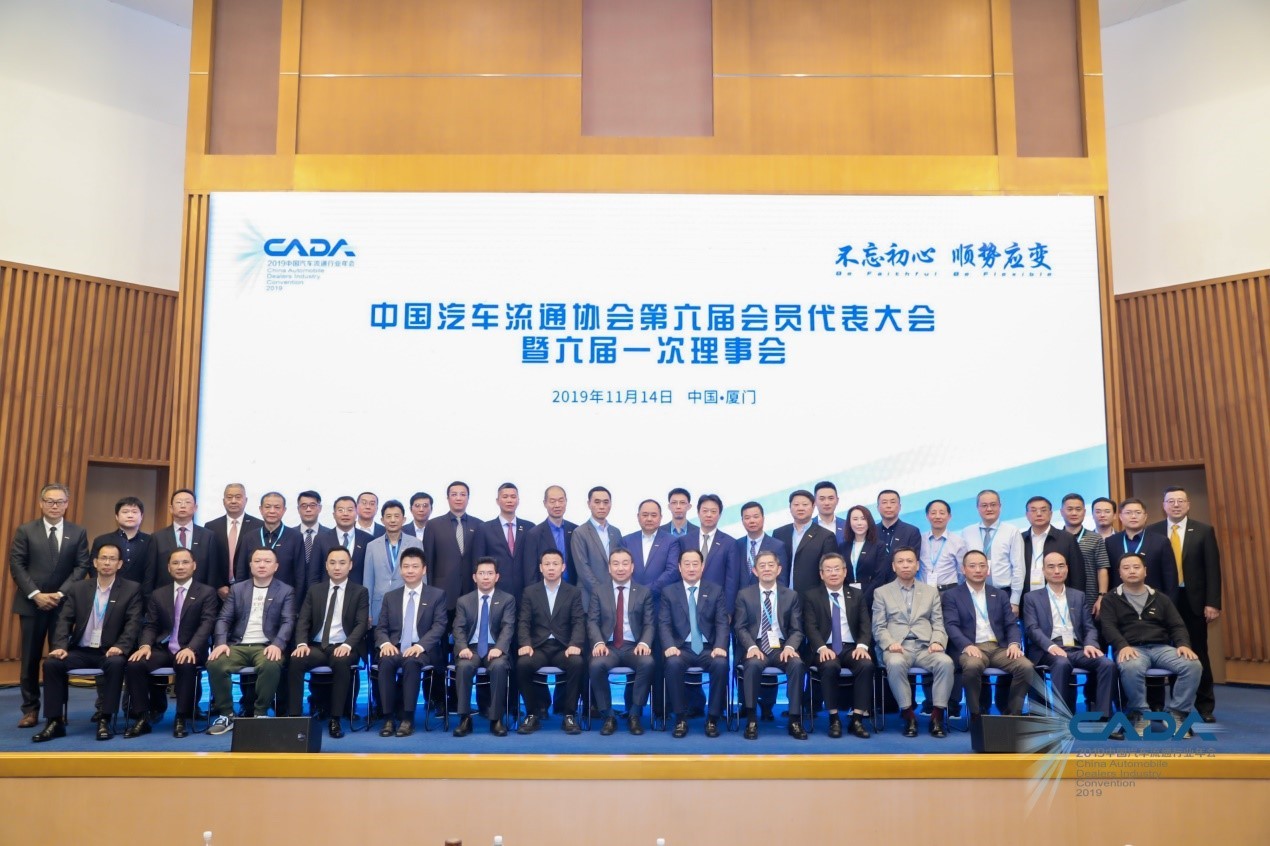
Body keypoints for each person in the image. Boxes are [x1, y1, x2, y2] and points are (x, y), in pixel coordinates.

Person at [31, 542, 142, 743]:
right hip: (81, 650)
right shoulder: (79, 588)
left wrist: (121, 646)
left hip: (110, 651)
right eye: (103, 558)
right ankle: (54, 721)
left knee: (116, 664)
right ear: (95, 562)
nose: (107, 563)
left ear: (119, 564)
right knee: (52, 663)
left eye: (112, 559)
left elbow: (133, 623)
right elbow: (64, 620)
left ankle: (105, 718)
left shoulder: (131, 589)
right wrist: (60, 647)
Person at [9, 483, 91, 727]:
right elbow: (17, 564)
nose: (55, 506)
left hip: (63, 606)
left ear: (67, 504)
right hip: (31, 604)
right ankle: (30, 709)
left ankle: (57, 710)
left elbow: (82, 566)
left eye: (60, 501)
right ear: (41, 503)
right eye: (50, 501)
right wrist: (36, 594)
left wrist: (59, 593)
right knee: (30, 659)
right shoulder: (26, 530)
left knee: (59, 659)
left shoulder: (78, 532)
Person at [1100, 553, 1203, 737]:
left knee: (1192, 665)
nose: (1132, 571)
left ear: (1145, 571)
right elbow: (1108, 627)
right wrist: (1122, 645)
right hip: (1131, 649)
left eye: (1136, 567)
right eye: (1126, 568)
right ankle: (1141, 715)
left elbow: (1177, 625)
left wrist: (1183, 644)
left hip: (1161, 648)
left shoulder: (1160, 598)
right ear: (1119, 573)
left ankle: (1177, 714)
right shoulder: (1110, 599)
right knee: (1131, 667)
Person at [123, 547, 218, 738]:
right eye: (175, 563)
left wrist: (191, 648)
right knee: (134, 664)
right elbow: (150, 624)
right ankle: (143, 716)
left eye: (185, 562)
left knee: (186, 664)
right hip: (163, 648)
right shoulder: (159, 594)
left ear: (194, 565)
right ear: (168, 568)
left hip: (191, 649)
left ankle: (181, 717)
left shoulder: (206, 592)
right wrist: (145, 645)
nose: (180, 567)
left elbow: (207, 624)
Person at [1147, 486, 1221, 722]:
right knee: (1159, 652)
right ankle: (1158, 705)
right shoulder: (1152, 531)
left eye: (1180, 501)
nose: (1176, 505)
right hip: (1161, 601)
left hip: (1193, 601)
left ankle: (1205, 707)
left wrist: (1213, 602)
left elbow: (1213, 569)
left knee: (1197, 653)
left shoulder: (1203, 531)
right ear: (1164, 506)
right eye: (1171, 501)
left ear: (1188, 504)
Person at [1022, 551, 1118, 731]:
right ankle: (1063, 720)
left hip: (1077, 647)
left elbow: (1089, 627)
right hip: (1048, 649)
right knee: (1061, 663)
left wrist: (1090, 644)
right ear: (1043, 570)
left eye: (1061, 566)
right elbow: (1032, 629)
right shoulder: (1031, 597)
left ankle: (1104, 718)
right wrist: (1051, 646)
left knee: (1107, 664)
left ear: (1067, 568)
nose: (1057, 571)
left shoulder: (1078, 596)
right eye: (1051, 567)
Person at [206, 548, 296, 735]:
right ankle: (226, 714)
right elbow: (223, 619)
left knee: (271, 664)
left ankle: (260, 714)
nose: (262, 565)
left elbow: (288, 621)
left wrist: (278, 644)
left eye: (267, 561)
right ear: (250, 565)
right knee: (215, 663)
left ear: (276, 566)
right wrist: (221, 642)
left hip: (266, 646)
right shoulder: (238, 589)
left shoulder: (286, 590)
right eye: (257, 561)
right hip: (237, 645)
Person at [941, 550, 1035, 718]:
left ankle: (1013, 715)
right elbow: (951, 625)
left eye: (982, 566)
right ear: (963, 569)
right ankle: (977, 714)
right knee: (972, 666)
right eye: (972, 566)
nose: (978, 570)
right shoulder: (952, 595)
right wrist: (966, 645)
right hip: (972, 647)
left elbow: (1011, 624)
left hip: (999, 648)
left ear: (988, 570)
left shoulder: (999, 594)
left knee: (1026, 667)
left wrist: (1014, 643)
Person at [287, 546, 370, 738]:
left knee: (341, 661)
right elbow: (303, 621)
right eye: (332, 563)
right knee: (296, 660)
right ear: (326, 566)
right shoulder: (315, 590)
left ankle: (336, 719)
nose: (337, 567)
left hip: (344, 646)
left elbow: (361, 624)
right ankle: (295, 717)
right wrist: (301, 644)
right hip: (316, 646)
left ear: (350, 565)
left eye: (342, 563)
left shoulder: (360, 592)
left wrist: (347, 645)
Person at [872, 547, 954, 737]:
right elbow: (878, 626)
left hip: (926, 647)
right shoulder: (881, 592)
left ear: (917, 565)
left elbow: (938, 623)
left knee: (946, 662)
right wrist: (889, 643)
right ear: (893, 566)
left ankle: (937, 716)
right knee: (894, 663)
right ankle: (908, 715)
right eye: (900, 562)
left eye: (909, 561)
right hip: (898, 647)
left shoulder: (930, 592)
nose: (905, 565)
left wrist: (937, 642)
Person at [374, 547, 447, 737]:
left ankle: (407, 718)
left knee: (412, 662)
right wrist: (385, 644)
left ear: (424, 570)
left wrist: (420, 646)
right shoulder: (391, 597)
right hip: (395, 647)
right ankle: (388, 718)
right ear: (400, 570)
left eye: (415, 566)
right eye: (406, 566)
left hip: (423, 650)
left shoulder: (437, 595)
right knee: (385, 661)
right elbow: (381, 627)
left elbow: (439, 626)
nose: (410, 570)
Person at [734, 550, 807, 740]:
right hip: (755, 645)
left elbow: (797, 629)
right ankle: (751, 720)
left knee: (797, 664)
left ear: (779, 569)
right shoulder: (744, 595)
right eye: (762, 566)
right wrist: (751, 647)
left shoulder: (790, 595)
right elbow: (740, 627)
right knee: (752, 665)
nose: (767, 569)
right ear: (755, 571)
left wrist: (790, 647)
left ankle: (794, 719)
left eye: (771, 565)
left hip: (781, 646)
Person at [802, 552, 874, 738]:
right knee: (829, 666)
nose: (833, 573)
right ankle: (834, 718)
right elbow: (810, 627)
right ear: (821, 574)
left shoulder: (856, 595)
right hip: (824, 648)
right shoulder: (812, 596)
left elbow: (865, 624)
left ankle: (857, 719)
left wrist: (862, 646)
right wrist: (821, 648)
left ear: (844, 572)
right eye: (828, 570)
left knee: (866, 665)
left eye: (837, 569)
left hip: (851, 648)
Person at [659, 548, 729, 738]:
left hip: (708, 648)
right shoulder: (669, 592)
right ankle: (680, 718)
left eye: (695, 564)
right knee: (672, 664)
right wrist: (669, 646)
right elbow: (664, 623)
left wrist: (720, 646)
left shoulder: (715, 590)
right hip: (681, 648)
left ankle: (713, 718)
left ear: (702, 566)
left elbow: (722, 622)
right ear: (679, 567)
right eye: (687, 564)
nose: (691, 568)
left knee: (721, 664)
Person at [516, 549, 585, 735]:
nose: (551, 568)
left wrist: (575, 644)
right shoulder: (530, 592)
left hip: (564, 647)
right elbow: (524, 622)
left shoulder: (573, 592)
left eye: (555, 564)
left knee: (577, 663)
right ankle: (532, 714)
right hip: (538, 647)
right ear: (541, 568)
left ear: (563, 567)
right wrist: (525, 643)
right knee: (522, 664)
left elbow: (578, 621)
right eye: (547, 564)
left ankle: (569, 715)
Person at [588, 548, 655, 736]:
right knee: (596, 665)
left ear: (632, 567)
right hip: (608, 647)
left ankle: (634, 713)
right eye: (616, 564)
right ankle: (608, 715)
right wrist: (598, 643)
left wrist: (644, 643)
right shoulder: (599, 591)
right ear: (609, 568)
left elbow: (649, 623)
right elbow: (592, 621)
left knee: (648, 662)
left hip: (634, 647)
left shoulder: (643, 592)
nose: (620, 568)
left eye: (625, 563)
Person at [452, 557, 516, 737]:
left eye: (489, 573)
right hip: (471, 648)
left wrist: (500, 648)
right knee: (464, 667)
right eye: (481, 573)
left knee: (499, 666)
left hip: (495, 648)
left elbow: (508, 627)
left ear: (497, 577)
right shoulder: (464, 601)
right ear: (474, 577)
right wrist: (462, 647)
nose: (485, 577)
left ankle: (496, 719)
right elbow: (458, 628)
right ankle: (465, 718)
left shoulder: (507, 599)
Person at [232, 491, 305, 605]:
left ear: (284, 510)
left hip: (284, 600)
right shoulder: (249, 537)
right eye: (267, 507)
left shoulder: (295, 537)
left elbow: (300, 575)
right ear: (261, 509)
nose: (272, 511)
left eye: (277, 507)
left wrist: (295, 604)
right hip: (252, 600)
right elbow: (241, 572)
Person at [145, 488, 223, 595]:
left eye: (187, 502)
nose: (183, 506)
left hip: (200, 596)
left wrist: (210, 597)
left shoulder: (208, 536)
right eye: (178, 502)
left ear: (195, 508)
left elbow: (212, 573)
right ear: (171, 509)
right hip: (165, 596)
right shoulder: (157, 537)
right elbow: (150, 573)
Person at [423, 481, 480, 618]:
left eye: (462, 494)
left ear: (468, 498)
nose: (458, 498)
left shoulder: (479, 524)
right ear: (448, 498)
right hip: (442, 591)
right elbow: (429, 561)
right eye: (454, 494)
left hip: (471, 589)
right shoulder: (433, 525)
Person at [960, 489, 1025, 608]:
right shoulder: (967, 532)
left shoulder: (1011, 531)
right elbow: (962, 566)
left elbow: (1018, 567)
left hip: (1003, 593)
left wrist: (1015, 600)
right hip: (973, 593)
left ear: (1000, 506)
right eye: (984, 505)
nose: (989, 509)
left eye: (993, 505)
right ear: (977, 508)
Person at [1019, 497, 1086, 611]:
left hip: (1060, 601)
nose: (1039, 514)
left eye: (1043, 510)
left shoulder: (1066, 538)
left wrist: (1076, 602)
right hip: (1027, 601)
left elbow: (1077, 574)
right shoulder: (1020, 539)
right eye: (1033, 510)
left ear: (1050, 514)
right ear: (1027, 515)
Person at [1106, 498, 1178, 604]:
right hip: (1119, 602)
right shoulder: (1110, 542)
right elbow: (1109, 575)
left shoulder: (1161, 541)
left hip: (1153, 602)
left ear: (1145, 516)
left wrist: (1168, 605)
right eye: (1128, 513)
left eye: (1138, 512)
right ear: (1120, 517)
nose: (1133, 516)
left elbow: (1170, 578)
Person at [364, 499, 423, 626]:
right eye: (388, 516)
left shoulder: (415, 543)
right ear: (382, 520)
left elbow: (422, 577)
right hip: (379, 606)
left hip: (408, 603)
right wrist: (367, 612)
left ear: (404, 519)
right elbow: (368, 581)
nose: (392, 520)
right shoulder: (372, 546)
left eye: (397, 516)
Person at [472, 482, 533, 600]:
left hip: (525, 590)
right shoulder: (484, 528)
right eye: (505, 497)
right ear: (497, 501)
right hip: (495, 589)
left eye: (513, 497)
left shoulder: (529, 527)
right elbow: (478, 563)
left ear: (518, 500)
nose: (509, 500)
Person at [773, 489, 837, 594]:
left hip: (812, 597)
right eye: (796, 505)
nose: (800, 508)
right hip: (782, 596)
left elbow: (828, 569)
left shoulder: (826, 536)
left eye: (805, 504)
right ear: (790, 507)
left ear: (813, 507)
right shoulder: (779, 533)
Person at [205, 483, 263, 598]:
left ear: (246, 500)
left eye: (238, 497)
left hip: (249, 588)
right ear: (223, 501)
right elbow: (210, 560)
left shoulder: (258, 525)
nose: (233, 501)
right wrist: (219, 585)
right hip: (218, 591)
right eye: (229, 497)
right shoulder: (211, 526)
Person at [571, 486, 624, 606]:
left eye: (606, 502)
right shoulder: (580, 532)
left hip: (614, 596)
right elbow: (583, 569)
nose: (601, 506)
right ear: (589, 504)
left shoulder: (616, 532)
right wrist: (602, 594)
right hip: (589, 596)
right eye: (597, 502)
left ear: (610, 504)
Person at [1059, 493, 1111, 612]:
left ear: (1084, 512)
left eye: (1078, 509)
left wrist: (1101, 596)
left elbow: (1102, 568)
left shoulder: (1096, 538)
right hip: (1060, 598)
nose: (1074, 513)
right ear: (1061, 512)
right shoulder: (1056, 538)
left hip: (1090, 599)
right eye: (1069, 509)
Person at [522, 485, 578, 588]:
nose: (557, 505)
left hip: (572, 589)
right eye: (552, 501)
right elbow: (530, 572)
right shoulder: (534, 534)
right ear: (545, 503)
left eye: (561, 500)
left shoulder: (575, 530)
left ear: (566, 501)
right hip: (545, 590)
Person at [90, 496, 150, 586]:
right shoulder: (101, 540)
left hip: (140, 592)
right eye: (125, 512)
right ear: (117, 516)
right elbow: (93, 568)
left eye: (134, 512)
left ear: (141, 516)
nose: (130, 515)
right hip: (107, 590)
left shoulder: (150, 541)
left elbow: (151, 572)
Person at [312, 495, 372, 585]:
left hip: (358, 592)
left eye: (350, 510)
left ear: (356, 514)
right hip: (328, 592)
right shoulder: (321, 539)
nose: (345, 514)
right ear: (334, 515)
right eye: (340, 510)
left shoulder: (368, 539)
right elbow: (314, 574)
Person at [626, 499, 681, 594]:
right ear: (638, 516)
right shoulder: (626, 541)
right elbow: (622, 569)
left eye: (654, 515)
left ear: (660, 517)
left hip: (660, 597)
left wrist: (647, 590)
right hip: (631, 597)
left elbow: (672, 571)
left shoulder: (671, 541)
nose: (649, 519)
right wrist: (635, 590)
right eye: (645, 515)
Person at [735, 501, 789, 588]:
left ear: (763, 518)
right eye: (747, 518)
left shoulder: (777, 546)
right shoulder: (736, 545)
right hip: (741, 595)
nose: (752, 521)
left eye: (756, 517)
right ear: (742, 521)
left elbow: (781, 579)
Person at [919, 499, 967, 592]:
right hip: (924, 591)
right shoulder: (920, 539)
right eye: (933, 513)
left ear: (949, 516)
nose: (937, 516)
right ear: (927, 516)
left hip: (949, 591)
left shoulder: (958, 542)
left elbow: (961, 571)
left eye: (942, 513)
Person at [841, 505, 885, 605]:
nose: (859, 523)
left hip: (871, 598)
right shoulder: (843, 546)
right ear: (849, 523)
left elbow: (879, 577)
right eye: (855, 519)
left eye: (863, 519)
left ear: (869, 521)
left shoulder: (878, 546)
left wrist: (863, 597)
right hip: (847, 597)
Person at [874, 489, 923, 572]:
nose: (888, 506)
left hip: (902, 579)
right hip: (876, 580)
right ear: (878, 508)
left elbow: (913, 562)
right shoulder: (871, 531)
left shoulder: (912, 532)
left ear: (900, 507)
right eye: (884, 502)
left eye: (892, 502)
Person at [293, 490, 328, 589]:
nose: (308, 509)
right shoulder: (289, 535)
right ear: (298, 509)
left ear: (320, 508)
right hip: (294, 590)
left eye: (312, 505)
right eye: (304, 506)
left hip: (321, 589)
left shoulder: (330, 535)